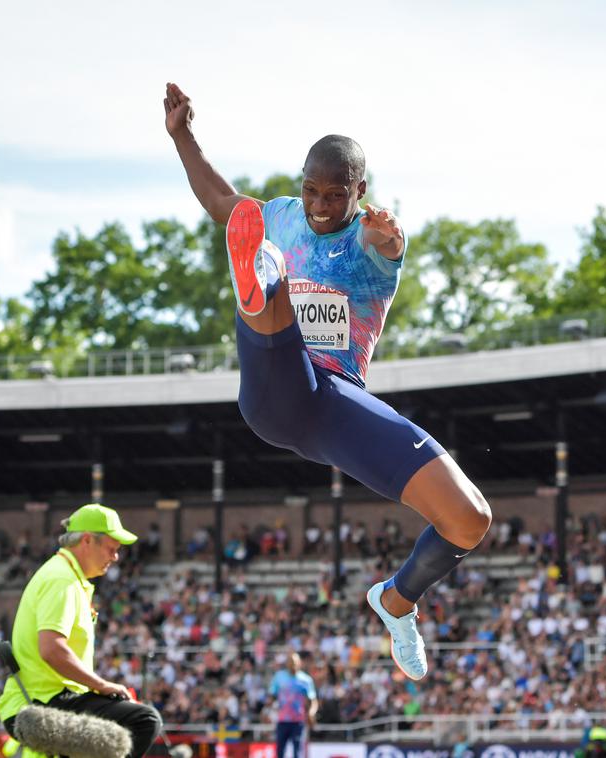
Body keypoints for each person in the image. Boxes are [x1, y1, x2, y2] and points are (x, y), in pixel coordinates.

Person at [164, 82, 491, 680]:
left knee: (470, 519)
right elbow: (219, 197)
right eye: (310, 190)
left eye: (334, 195)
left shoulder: (368, 237)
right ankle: (258, 281)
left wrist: (388, 236)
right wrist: (182, 134)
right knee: (257, 254)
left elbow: (384, 242)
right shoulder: (282, 216)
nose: (318, 205)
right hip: (275, 389)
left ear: (359, 192)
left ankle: (395, 603)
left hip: (335, 405)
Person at [0, 504, 161, 758]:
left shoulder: (66, 576)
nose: (116, 557)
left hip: (49, 698)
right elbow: (51, 649)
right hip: (43, 702)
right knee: (143, 720)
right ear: (86, 541)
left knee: (125, 711)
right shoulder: (62, 580)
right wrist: (101, 684)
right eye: (111, 548)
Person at [269, 652, 318, 758]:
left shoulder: (305, 680)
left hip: (298, 722)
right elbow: (272, 696)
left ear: (299, 663)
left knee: (298, 752)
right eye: (290, 662)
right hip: (282, 721)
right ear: (287, 663)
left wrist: (311, 712)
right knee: (280, 752)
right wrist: (269, 708)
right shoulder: (279, 677)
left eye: (295, 662)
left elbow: (313, 700)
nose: (292, 665)